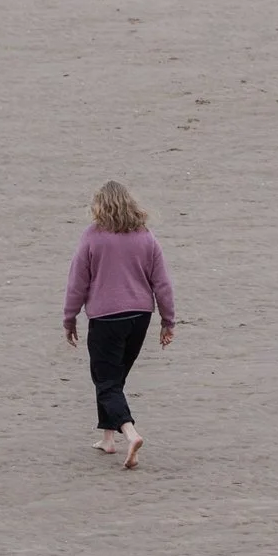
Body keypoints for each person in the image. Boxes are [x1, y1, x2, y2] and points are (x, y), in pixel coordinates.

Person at [63, 180, 176, 470]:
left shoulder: (92, 236)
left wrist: (69, 317)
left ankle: (130, 432)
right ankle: (108, 439)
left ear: (99, 206)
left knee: (106, 380)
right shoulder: (145, 236)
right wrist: (167, 320)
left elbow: (78, 282)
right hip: (139, 316)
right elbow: (161, 283)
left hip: (105, 317)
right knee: (114, 378)